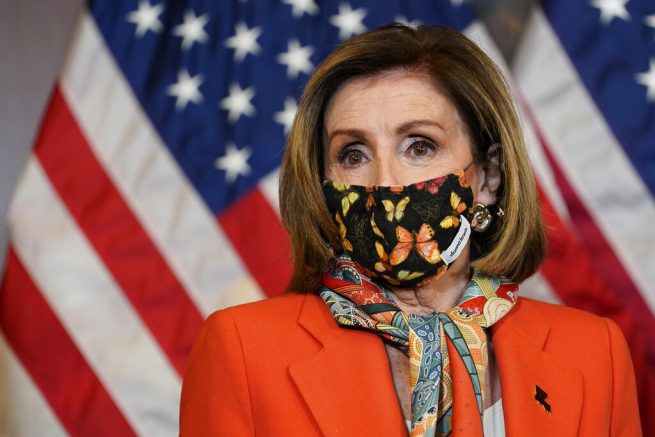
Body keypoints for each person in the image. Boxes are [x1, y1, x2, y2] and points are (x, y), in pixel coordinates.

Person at [179, 24, 642, 436]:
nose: (385, 183)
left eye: (420, 146)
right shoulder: (242, 350)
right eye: (353, 154)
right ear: (322, 183)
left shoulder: (592, 353)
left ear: (488, 176)